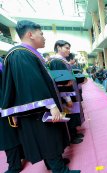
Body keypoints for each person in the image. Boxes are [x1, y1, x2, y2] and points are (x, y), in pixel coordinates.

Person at [1, 20, 80, 173]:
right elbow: (31, 84)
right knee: (47, 137)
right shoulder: (20, 54)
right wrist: (51, 106)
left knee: (50, 136)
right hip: (38, 110)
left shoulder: (28, 54)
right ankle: (59, 170)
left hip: (41, 108)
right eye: (41, 34)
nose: (44, 38)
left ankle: (54, 164)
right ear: (30, 34)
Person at [0, 58, 24, 173]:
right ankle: (20, 157)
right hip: (7, 104)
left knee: (6, 137)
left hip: (3, 105)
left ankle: (14, 165)